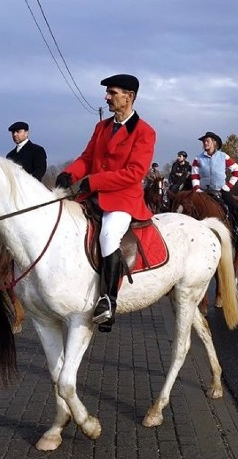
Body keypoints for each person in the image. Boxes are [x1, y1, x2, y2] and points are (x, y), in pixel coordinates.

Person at [55, 73, 155, 332]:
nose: (106, 97)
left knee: (109, 236)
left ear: (129, 96)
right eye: (108, 93)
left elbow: (135, 172)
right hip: (93, 195)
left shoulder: (145, 132)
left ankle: (108, 301)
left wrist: (95, 181)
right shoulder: (101, 127)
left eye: (112, 92)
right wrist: (71, 173)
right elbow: (87, 158)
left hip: (123, 198)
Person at [190, 131, 238, 247]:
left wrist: (228, 186)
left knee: (234, 207)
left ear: (214, 143)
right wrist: (197, 189)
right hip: (203, 192)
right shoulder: (198, 158)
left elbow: (237, 170)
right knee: (188, 208)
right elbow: (194, 175)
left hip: (221, 191)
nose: (205, 143)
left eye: (207, 141)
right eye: (204, 141)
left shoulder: (223, 156)